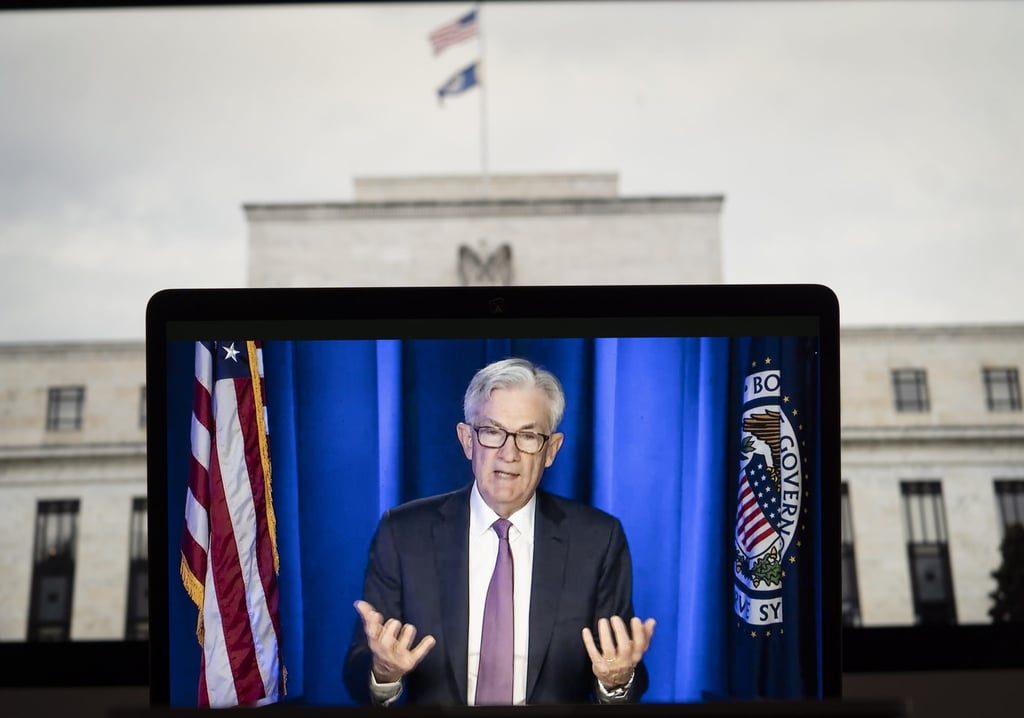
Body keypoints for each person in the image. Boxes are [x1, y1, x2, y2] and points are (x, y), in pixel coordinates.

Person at [343, 357, 656, 705]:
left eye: (528, 436)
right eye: (492, 432)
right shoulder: (402, 534)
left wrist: (617, 680)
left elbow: (626, 671)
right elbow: (358, 672)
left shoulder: (598, 540)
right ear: (467, 440)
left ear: (551, 450)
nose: (509, 453)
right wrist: (384, 673)